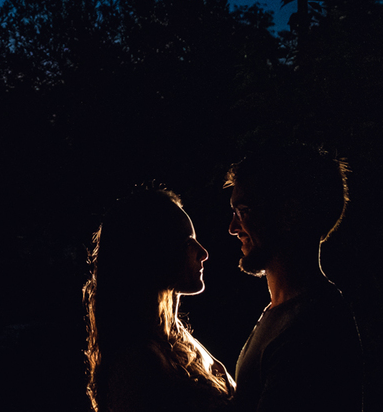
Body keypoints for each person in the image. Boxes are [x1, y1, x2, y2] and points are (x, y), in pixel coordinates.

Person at [225, 145, 363, 411]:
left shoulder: (312, 327)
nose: (233, 228)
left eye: (243, 210)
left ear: (289, 214)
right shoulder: (283, 312)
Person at [84, 185, 234, 412]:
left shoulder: (176, 338)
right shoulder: (136, 364)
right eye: (187, 243)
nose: (203, 253)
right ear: (152, 254)